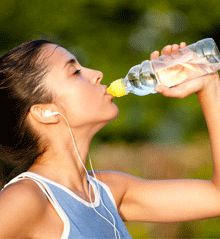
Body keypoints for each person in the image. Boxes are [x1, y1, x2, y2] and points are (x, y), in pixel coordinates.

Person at [0, 39, 220, 239]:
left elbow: (216, 197)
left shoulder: (109, 190)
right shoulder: (27, 198)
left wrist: (209, 84)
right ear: (45, 112)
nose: (96, 74)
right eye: (75, 72)